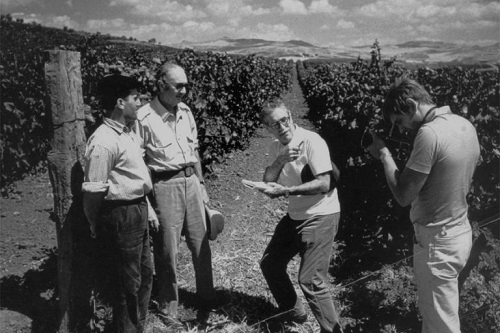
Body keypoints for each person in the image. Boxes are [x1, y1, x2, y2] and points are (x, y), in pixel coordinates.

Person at [366, 78, 480, 333]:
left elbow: (403, 195)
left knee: (441, 327)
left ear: (409, 105)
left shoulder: (429, 133)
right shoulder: (464, 124)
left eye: (399, 121)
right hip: (460, 233)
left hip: (437, 244)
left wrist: (385, 155)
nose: (402, 129)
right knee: (440, 319)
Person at [135, 62, 215, 326]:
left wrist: (201, 184)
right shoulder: (143, 117)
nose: (184, 90)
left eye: (186, 85)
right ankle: (168, 308)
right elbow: (137, 163)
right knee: (168, 251)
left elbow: (194, 151)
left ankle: (207, 298)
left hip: (191, 182)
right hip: (164, 187)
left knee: (201, 244)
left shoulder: (186, 112)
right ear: (161, 85)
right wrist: (146, 202)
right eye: (178, 85)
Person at [258, 99, 343, 333]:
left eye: (284, 120)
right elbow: (268, 180)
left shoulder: (311, 141)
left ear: (290, 117)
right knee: (270, 264)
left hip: (320, 214)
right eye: (275, 124)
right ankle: (294, 312)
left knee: (311, 281)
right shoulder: (277, 148)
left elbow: (324, 183)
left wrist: (286, 191)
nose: (282, 126)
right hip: (297, 214)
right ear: (267, 128)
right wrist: (281, 159)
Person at [82, 74, 154, 332]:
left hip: (137, 209)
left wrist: (148, 208)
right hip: (120, 215)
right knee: (127, 285)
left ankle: (137, 327)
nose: (141, 103)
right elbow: (93, 192)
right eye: (136, 98)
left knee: (145, 275)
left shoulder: (127, 133)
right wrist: (93, 223)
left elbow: (135, 176)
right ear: (120, 102)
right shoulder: (103, 141)